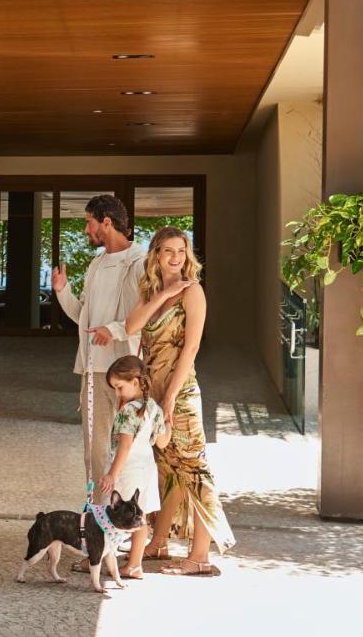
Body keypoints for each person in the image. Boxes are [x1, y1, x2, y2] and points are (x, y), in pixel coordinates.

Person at [124, 226, 236, 576]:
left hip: (181, 391)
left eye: (181, 251)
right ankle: (158, 543)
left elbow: (191, 348)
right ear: (156, 254)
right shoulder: (151, 291)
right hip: (152, 391)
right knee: (164, 466)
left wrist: (170, 398)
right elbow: (131, 328)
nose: (176, 257)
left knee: (193, 467)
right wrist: (162, 294)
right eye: (168, 251)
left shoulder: (194, 292)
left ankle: (200, 556)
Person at [51, 194, 147, 504]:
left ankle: (132, 518)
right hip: (93, 369)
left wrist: (115, 330)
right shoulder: (96, 263)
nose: (85, 230)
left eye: (88, 222)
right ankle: (97, 520)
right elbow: (85, 318)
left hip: (128, 373)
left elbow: (146, 315)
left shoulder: (140, 261)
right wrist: (62, 292)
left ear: (106, 222)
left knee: (130, 447)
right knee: (94, 452)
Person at [97, 355, 170, 579]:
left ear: (135, 382)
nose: (117, 394)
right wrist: (169, 422)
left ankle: (97, 558)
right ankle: (135, 565)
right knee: (140, 516)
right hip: (146, 467)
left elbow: (125, 447)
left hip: (127, 470)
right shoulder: (154, 408)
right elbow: (162, 442)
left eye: (119, 387)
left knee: (113, 516)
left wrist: (111, 474)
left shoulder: (128, 411)